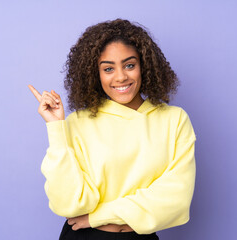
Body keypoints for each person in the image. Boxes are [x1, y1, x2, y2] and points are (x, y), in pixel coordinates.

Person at [28, 19, 196, 240]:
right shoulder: (78, 122)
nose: (120, 77)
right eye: (108, 68)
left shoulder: (174, 120)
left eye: (129, 65)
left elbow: (175, 199)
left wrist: (98, 216)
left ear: (144, 65)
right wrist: (56, 127)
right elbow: (69, 203)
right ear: (95, 74)